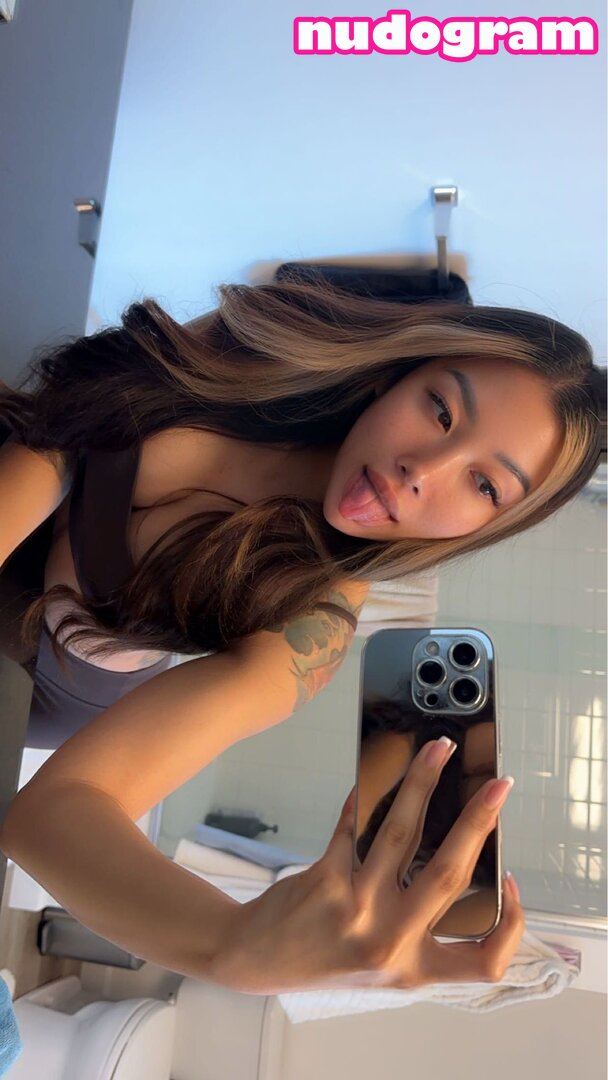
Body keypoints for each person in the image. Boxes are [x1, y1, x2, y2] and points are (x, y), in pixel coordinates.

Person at [0, 277, 604, 995]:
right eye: (440, 409)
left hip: (36, 678)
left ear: (487, 527)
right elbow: (72, 413)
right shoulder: (260, 350)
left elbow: (57, 811)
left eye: (483, 487)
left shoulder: (309, 626)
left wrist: (234, 945)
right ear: (401, 372)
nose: (423, 470)